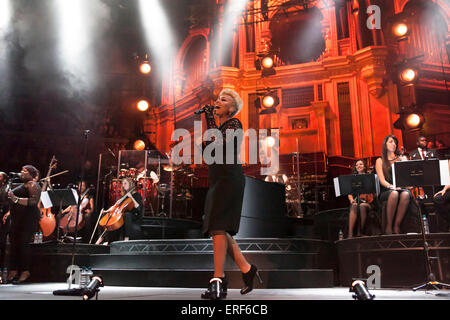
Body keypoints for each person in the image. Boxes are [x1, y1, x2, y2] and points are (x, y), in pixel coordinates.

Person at [200, 88, 260, 300]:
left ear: (232, 108)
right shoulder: (220, 126)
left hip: (229, 179)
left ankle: (218, 279)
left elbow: (218, 147)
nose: (217, 101)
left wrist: (208, 117)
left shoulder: (235, 124)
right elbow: (209, 153)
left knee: (218, 227)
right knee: (219, 229)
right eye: (217, 98)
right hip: (218, 179)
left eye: (223, 100)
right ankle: (246, 269)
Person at [6, 165, 41, 284]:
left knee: (22, 244)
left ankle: (25, 272)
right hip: (17, 218)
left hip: (28, 219)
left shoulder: (33, 185)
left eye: (25, 171)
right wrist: (10, 211)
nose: (22, 172)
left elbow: (33, 201)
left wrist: (15, 199)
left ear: (31, 174)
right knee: (14, 244)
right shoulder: (23, 185)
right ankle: (14, 271)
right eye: (21, 170)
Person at [375, 135, 412, 235]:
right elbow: (382, 180)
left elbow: (407, 177)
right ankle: (388, 226)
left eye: (395, 142)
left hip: (401, 188)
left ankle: (396, 225)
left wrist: (405, 161)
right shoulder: (380, 160)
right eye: (391, 141)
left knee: (406, 194)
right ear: (385, 144)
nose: (394, 144)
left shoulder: (400, 159)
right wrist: (392, 187)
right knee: (394, 193)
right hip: (386, 190)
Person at [95, 177, 143, 245]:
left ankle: (126, 238)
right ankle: (102, 238)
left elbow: (138, 207)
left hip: (133, 215)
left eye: (125, 183)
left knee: (127, 214)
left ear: (130, 184)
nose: (123, 185)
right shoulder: (123, 196)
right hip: (122, 214)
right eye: (123, 184)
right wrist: (106, 211)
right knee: (104, 216)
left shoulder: (136, 195)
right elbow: (115, 206)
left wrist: (131, 197)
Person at [347, 159, 375, 238]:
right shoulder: (353, 179)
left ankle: (361, 232)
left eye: (361, 164)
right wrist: (352, 200)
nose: (358, 166)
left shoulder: (369, 177)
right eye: (357, 165)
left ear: (364, 166)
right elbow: (350, 194)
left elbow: (374, 192)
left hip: (369, 202)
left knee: (362, 206)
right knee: (355, 205)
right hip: (358, 200)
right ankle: (350, 234)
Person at [0, 172, 11, 274]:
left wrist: (8, 213)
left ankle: (3, 270)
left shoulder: (8, 189)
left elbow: (12, 204)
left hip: (4, 217)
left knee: (2, 243)